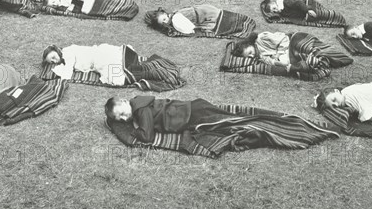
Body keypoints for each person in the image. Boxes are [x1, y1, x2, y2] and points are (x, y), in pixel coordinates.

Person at [105, 96, 238, 144]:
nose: (124, 119)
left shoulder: (140, 109)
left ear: (124, 101)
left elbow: (147, 137)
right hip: (193, 108)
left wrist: (134, 131)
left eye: (122, 113)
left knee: (234, 124)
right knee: (233, 121)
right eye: (120, 119)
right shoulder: (136, 103)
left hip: (192, 115)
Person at [41, 43, 128, 85]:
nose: (55, 61)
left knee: (116, 79)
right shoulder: (65, 56)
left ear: (56, 50)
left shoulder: (67, 53)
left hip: (99, 57)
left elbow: (68, 72)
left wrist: (61, 78)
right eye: (52, 62)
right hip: (97, 57)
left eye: (53, 57)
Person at [145, 5, 222, 35]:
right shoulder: (173, 20)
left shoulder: (175, 18)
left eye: (164, 19)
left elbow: (189, 28)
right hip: (201, 13)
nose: (165, 22)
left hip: (202, 13)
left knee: (215, 23)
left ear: (165, 14)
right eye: (163, 22)